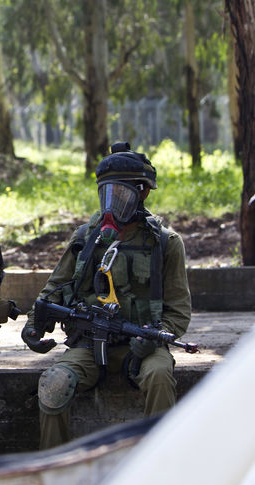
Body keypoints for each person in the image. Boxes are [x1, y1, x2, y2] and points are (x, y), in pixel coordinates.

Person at [21, 142, 192, 450]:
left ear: (143, 192)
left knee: (160, 377)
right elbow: (54, 290)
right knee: (54, 384)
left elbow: (178, 312)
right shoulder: (86, 238)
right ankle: (56, 473)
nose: (112, 202)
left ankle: (164, 465)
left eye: (121, 193)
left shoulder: (165, 243)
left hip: (143, 345)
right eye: (106, 193)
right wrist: (34, 324)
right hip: (88, 344)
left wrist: (153, 338)